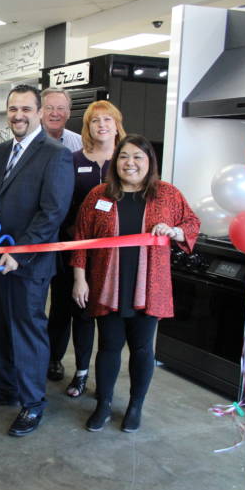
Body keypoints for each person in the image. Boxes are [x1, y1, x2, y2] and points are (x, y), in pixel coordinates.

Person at [71, 134, 200, 433]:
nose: (130, 163)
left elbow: (192, 224)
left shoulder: (167, 194)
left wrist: (175, 232)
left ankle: (135, 406)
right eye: (124, 156)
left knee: (142, 349)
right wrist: (79, 278)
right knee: (108, 347)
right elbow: (80, 239)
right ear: (116, 162)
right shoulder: (100, 195)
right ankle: (103, 404)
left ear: (149, 162)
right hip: (107, 285)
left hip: (149, 287)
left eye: (138, 157)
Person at [0, 84, 74, 437]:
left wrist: (20, 252)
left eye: (26, 109)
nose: (18, 115)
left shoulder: (55, 154)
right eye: (13, 109)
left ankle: (32, 404)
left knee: (26, 330)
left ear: (40, 112)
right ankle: (1, 387)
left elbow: (52, 213)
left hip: (28, 263)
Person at [46, 100, 126, 396]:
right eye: (95, 121)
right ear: (87, 127)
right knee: (63, 307)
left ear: (116, 124)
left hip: (111, 256)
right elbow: (60, 202)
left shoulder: (127, 160)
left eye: (107, 119)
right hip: (71, 248)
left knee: (95, 315)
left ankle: (84, 371)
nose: (102, 125)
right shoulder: (72, 158)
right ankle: (54, 359)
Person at [41, 87, 82, 152]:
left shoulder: (81, 144)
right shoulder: (25, 143)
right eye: (49, 108)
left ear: (68, 113)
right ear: (40, 112)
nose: (54, 113)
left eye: (60, 108)